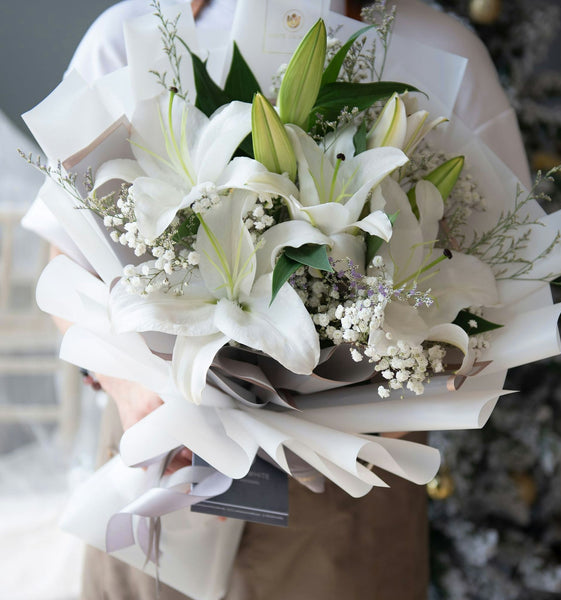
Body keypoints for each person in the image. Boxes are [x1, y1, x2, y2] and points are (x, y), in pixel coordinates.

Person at [45, 1, 528, 599]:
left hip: (345, 509)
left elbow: (504, 293)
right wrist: (136, 394)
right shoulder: (135, 32)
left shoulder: (442, 50)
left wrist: (380, 419)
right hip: (159, 474)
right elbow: (63, 258)